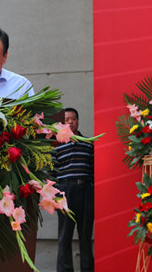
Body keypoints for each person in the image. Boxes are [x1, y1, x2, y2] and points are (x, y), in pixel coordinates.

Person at [54, 108, 94, 272]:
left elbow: (93, 169)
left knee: (85, 236)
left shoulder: (88, 143)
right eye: (67, 119)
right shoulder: (56, 145)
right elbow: (51, 173)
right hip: (65, 191)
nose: (70, 122)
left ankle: (88, 269)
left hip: (85, 190)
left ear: (78, 121)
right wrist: (56, 195)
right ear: (62, 123)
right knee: (64, 236)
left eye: (74, 119)